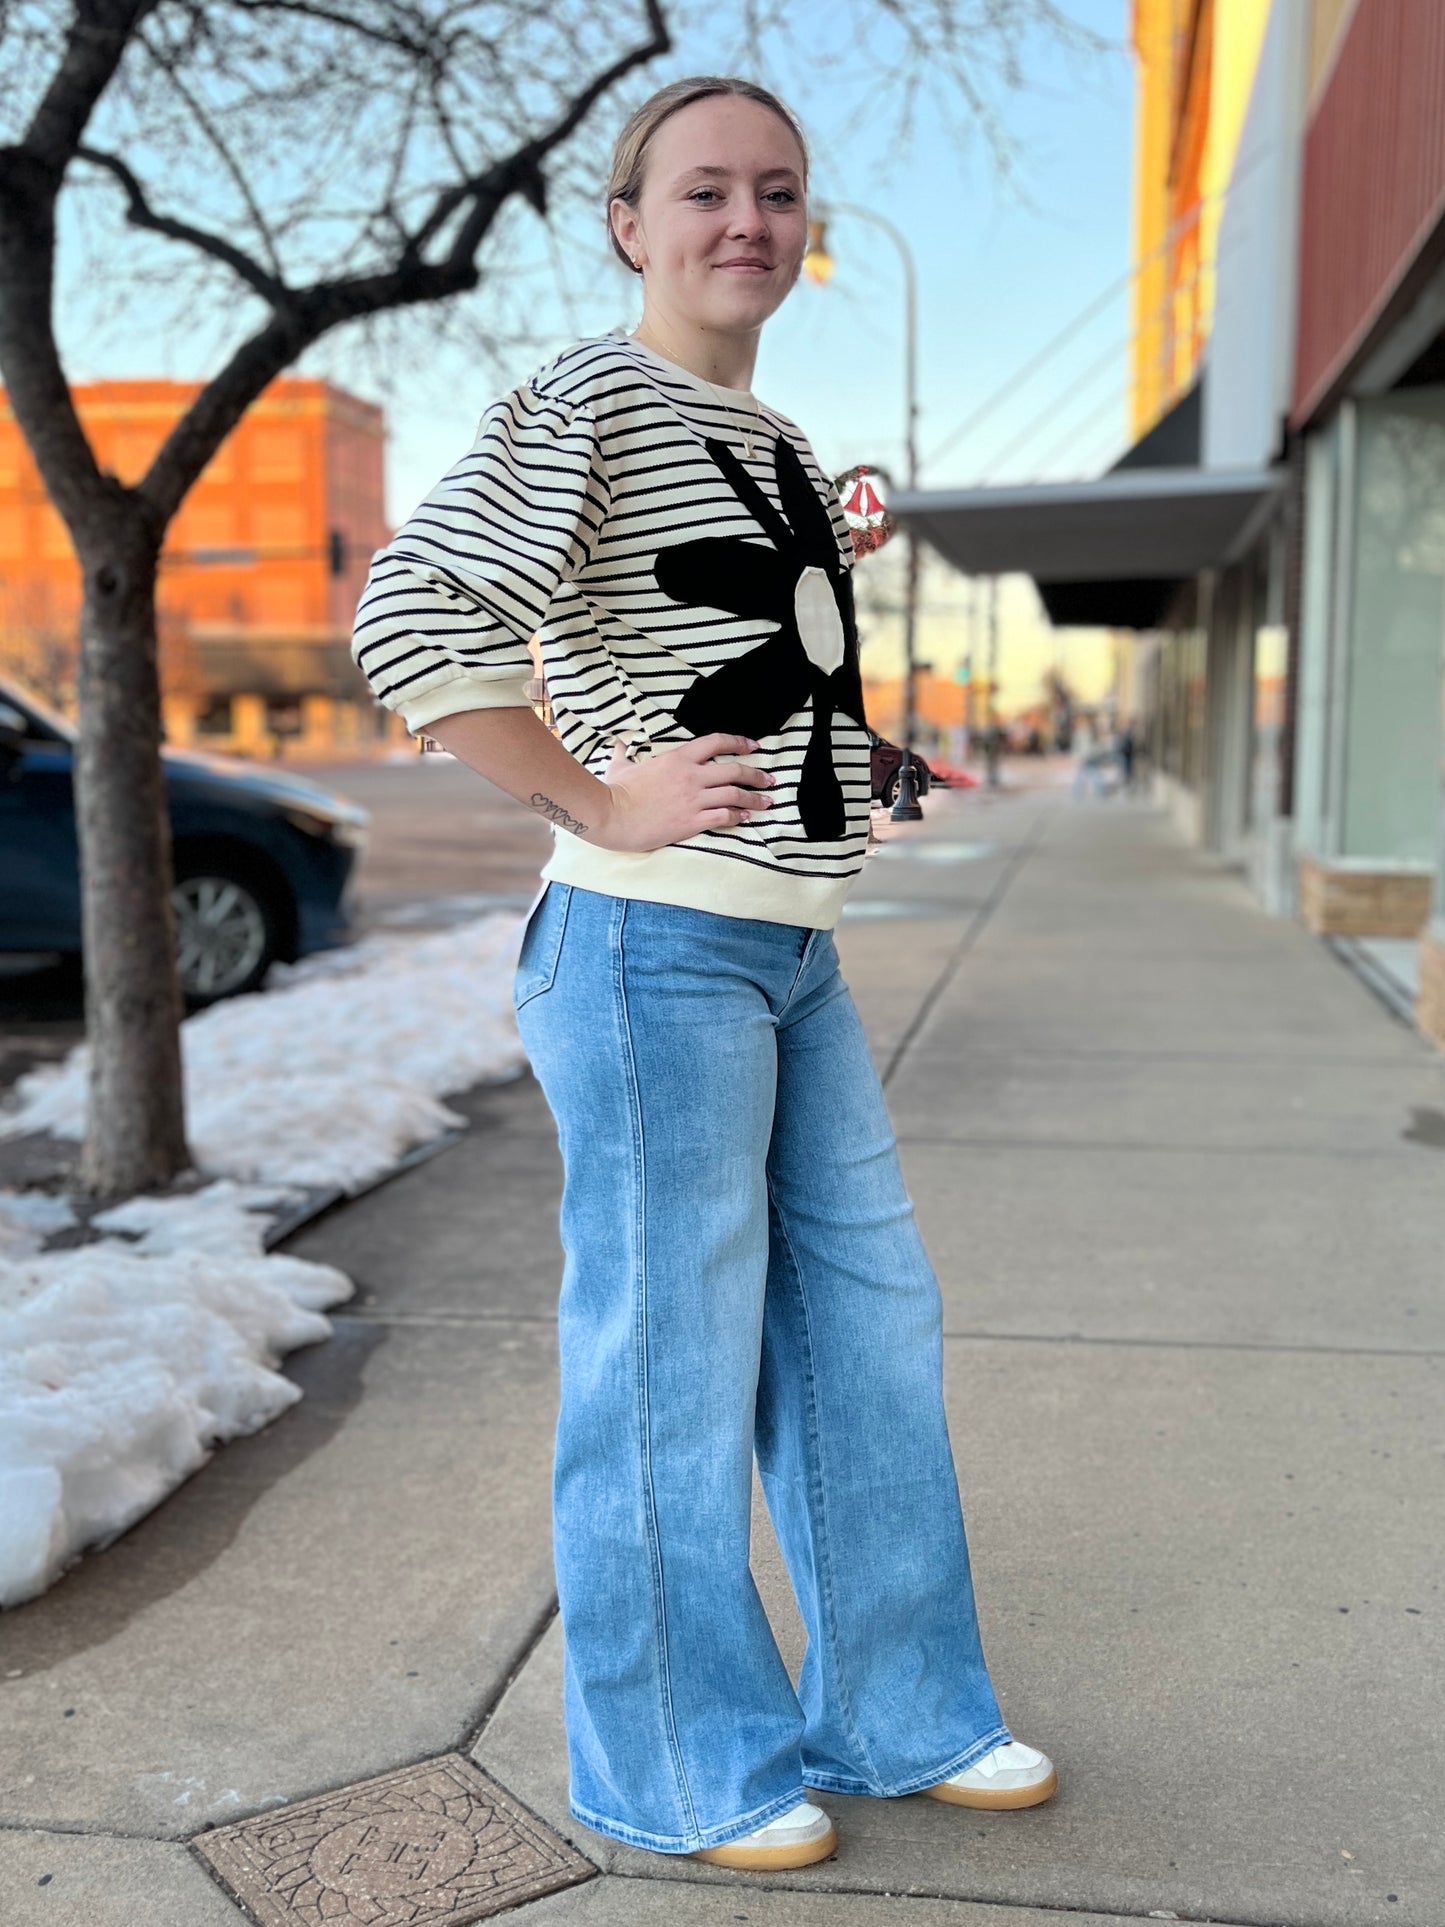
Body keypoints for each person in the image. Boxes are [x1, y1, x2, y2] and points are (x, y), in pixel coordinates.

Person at [351, 75, 1056, 1872]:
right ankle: (677, 1761)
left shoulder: (782, 449)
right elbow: (415, 619)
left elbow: (729, 667)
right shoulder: (587, 395)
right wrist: (594, 793)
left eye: (778, 191)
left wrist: (858, 781)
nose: (746, 219)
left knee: (863, 1336)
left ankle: (898, 1712)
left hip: (785, 953)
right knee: (668, 1364)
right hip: (648, 950)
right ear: (626, 223)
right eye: (704, 190)